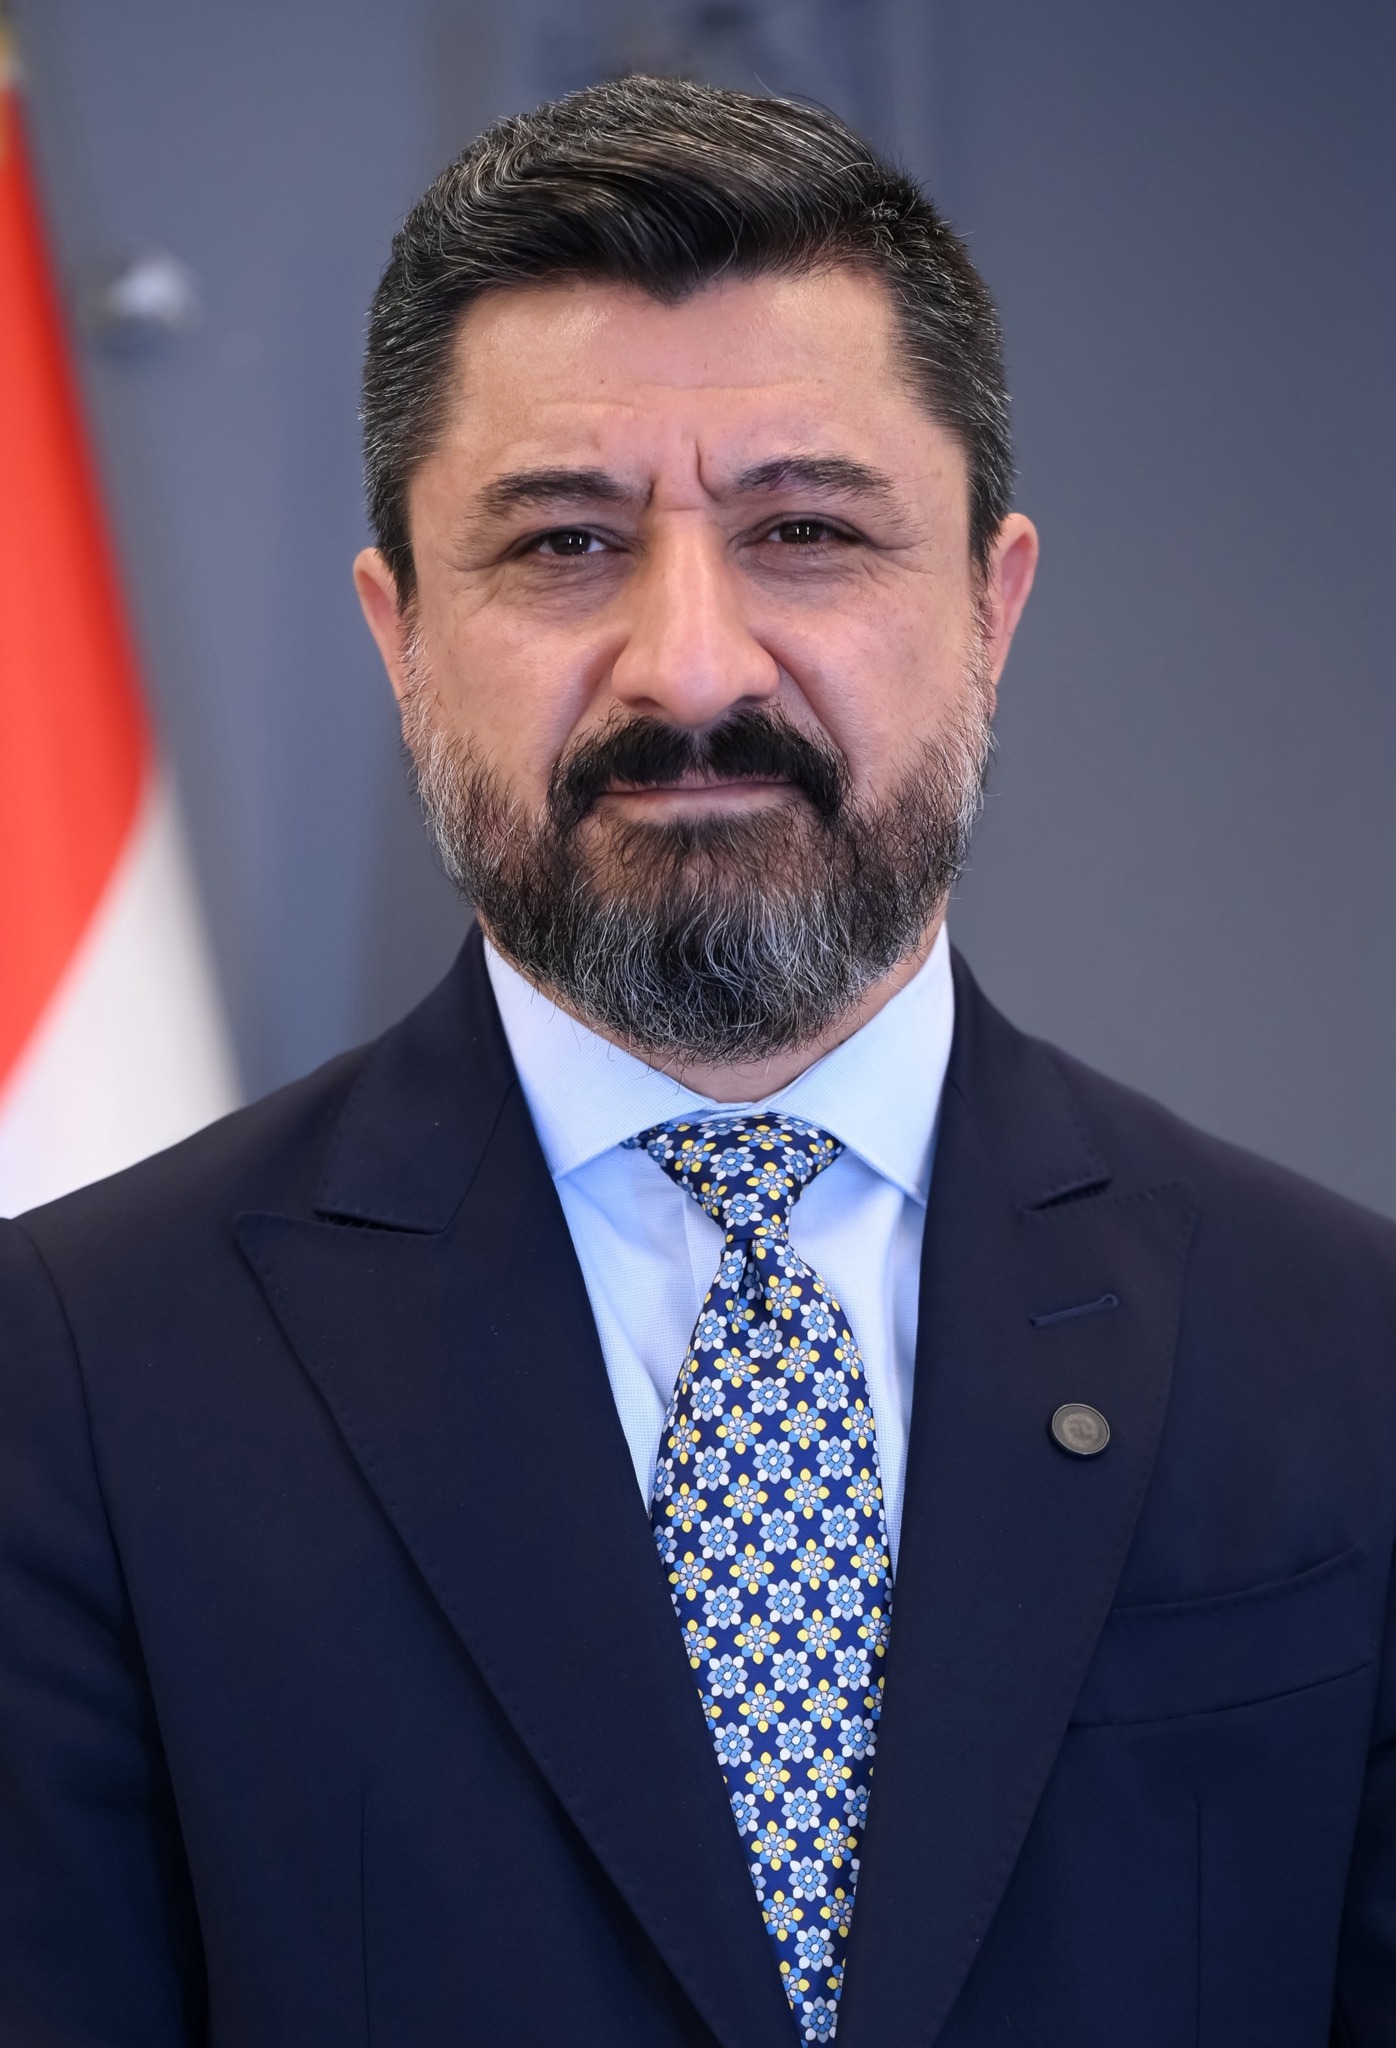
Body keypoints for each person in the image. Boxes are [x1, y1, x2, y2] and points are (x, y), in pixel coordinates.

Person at [1, 72, 1393, 2048]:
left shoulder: (1342, 1356)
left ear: (989, 605)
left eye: (805, 531)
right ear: (400, 635)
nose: (692, 665)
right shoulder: (70, 1380)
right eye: (564, 543)